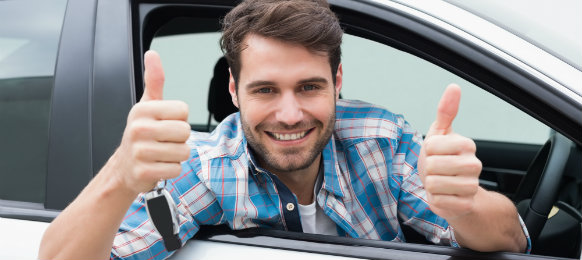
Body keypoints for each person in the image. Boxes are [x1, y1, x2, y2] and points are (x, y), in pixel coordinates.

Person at [38, 0, 529, 259]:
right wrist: (122, 175)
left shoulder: (383, 140)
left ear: (338, 82)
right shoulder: (208, 171)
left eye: (310, 87)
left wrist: (465, 205)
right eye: (266, 90)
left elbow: (509, 241)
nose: (290, 114)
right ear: (234, 91)